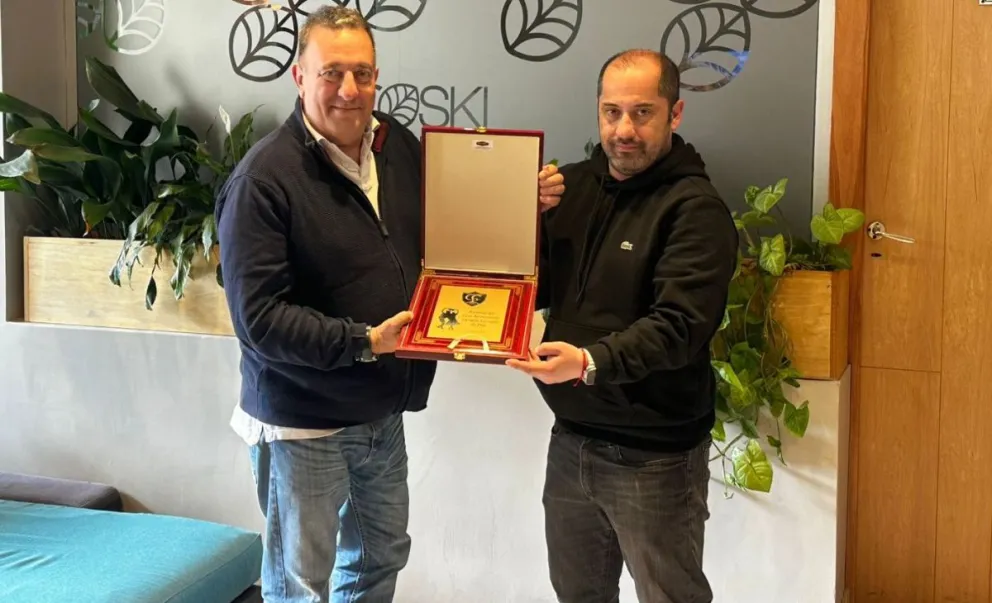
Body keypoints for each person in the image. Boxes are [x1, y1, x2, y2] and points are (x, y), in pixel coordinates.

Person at [215, 6, 564, 603]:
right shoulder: (263, 180)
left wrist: (516, 199)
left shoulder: (394, 144)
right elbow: (260, 321)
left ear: (377, 76)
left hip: (379, 412)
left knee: (380, 557)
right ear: (299, 77)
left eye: (362, 73)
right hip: (302, 422)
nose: (349, 90)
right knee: (300, 584)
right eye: (331, 73)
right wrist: (367, 342)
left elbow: (452, 221)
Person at [507, 49, 738, 603]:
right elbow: (534, 284)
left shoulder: (695, 210)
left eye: (642, 112)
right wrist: (521, 221)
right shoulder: (569, 189)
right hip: (572, 441)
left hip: (655, 457)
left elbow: (679, 327)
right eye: (612, 112)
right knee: (577, 594)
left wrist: (589, 363)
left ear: (675, 113)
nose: (624, 129)